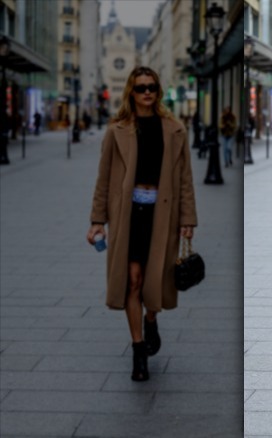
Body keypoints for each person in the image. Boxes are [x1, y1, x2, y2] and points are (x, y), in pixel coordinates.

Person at [86, 66, 197, 382]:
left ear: (158, 91)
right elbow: (104, 180)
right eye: (140, 87)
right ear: (131, 93)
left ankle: (151, 320)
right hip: (128, 215)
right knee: (133, 280)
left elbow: (185, 179)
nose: (146, 92)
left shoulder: (174, 130)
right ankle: (138, 352)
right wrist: (97, 221)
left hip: (163, 215)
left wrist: (188, 219)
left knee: (155, 281)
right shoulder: (117, 130)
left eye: (151, 87)